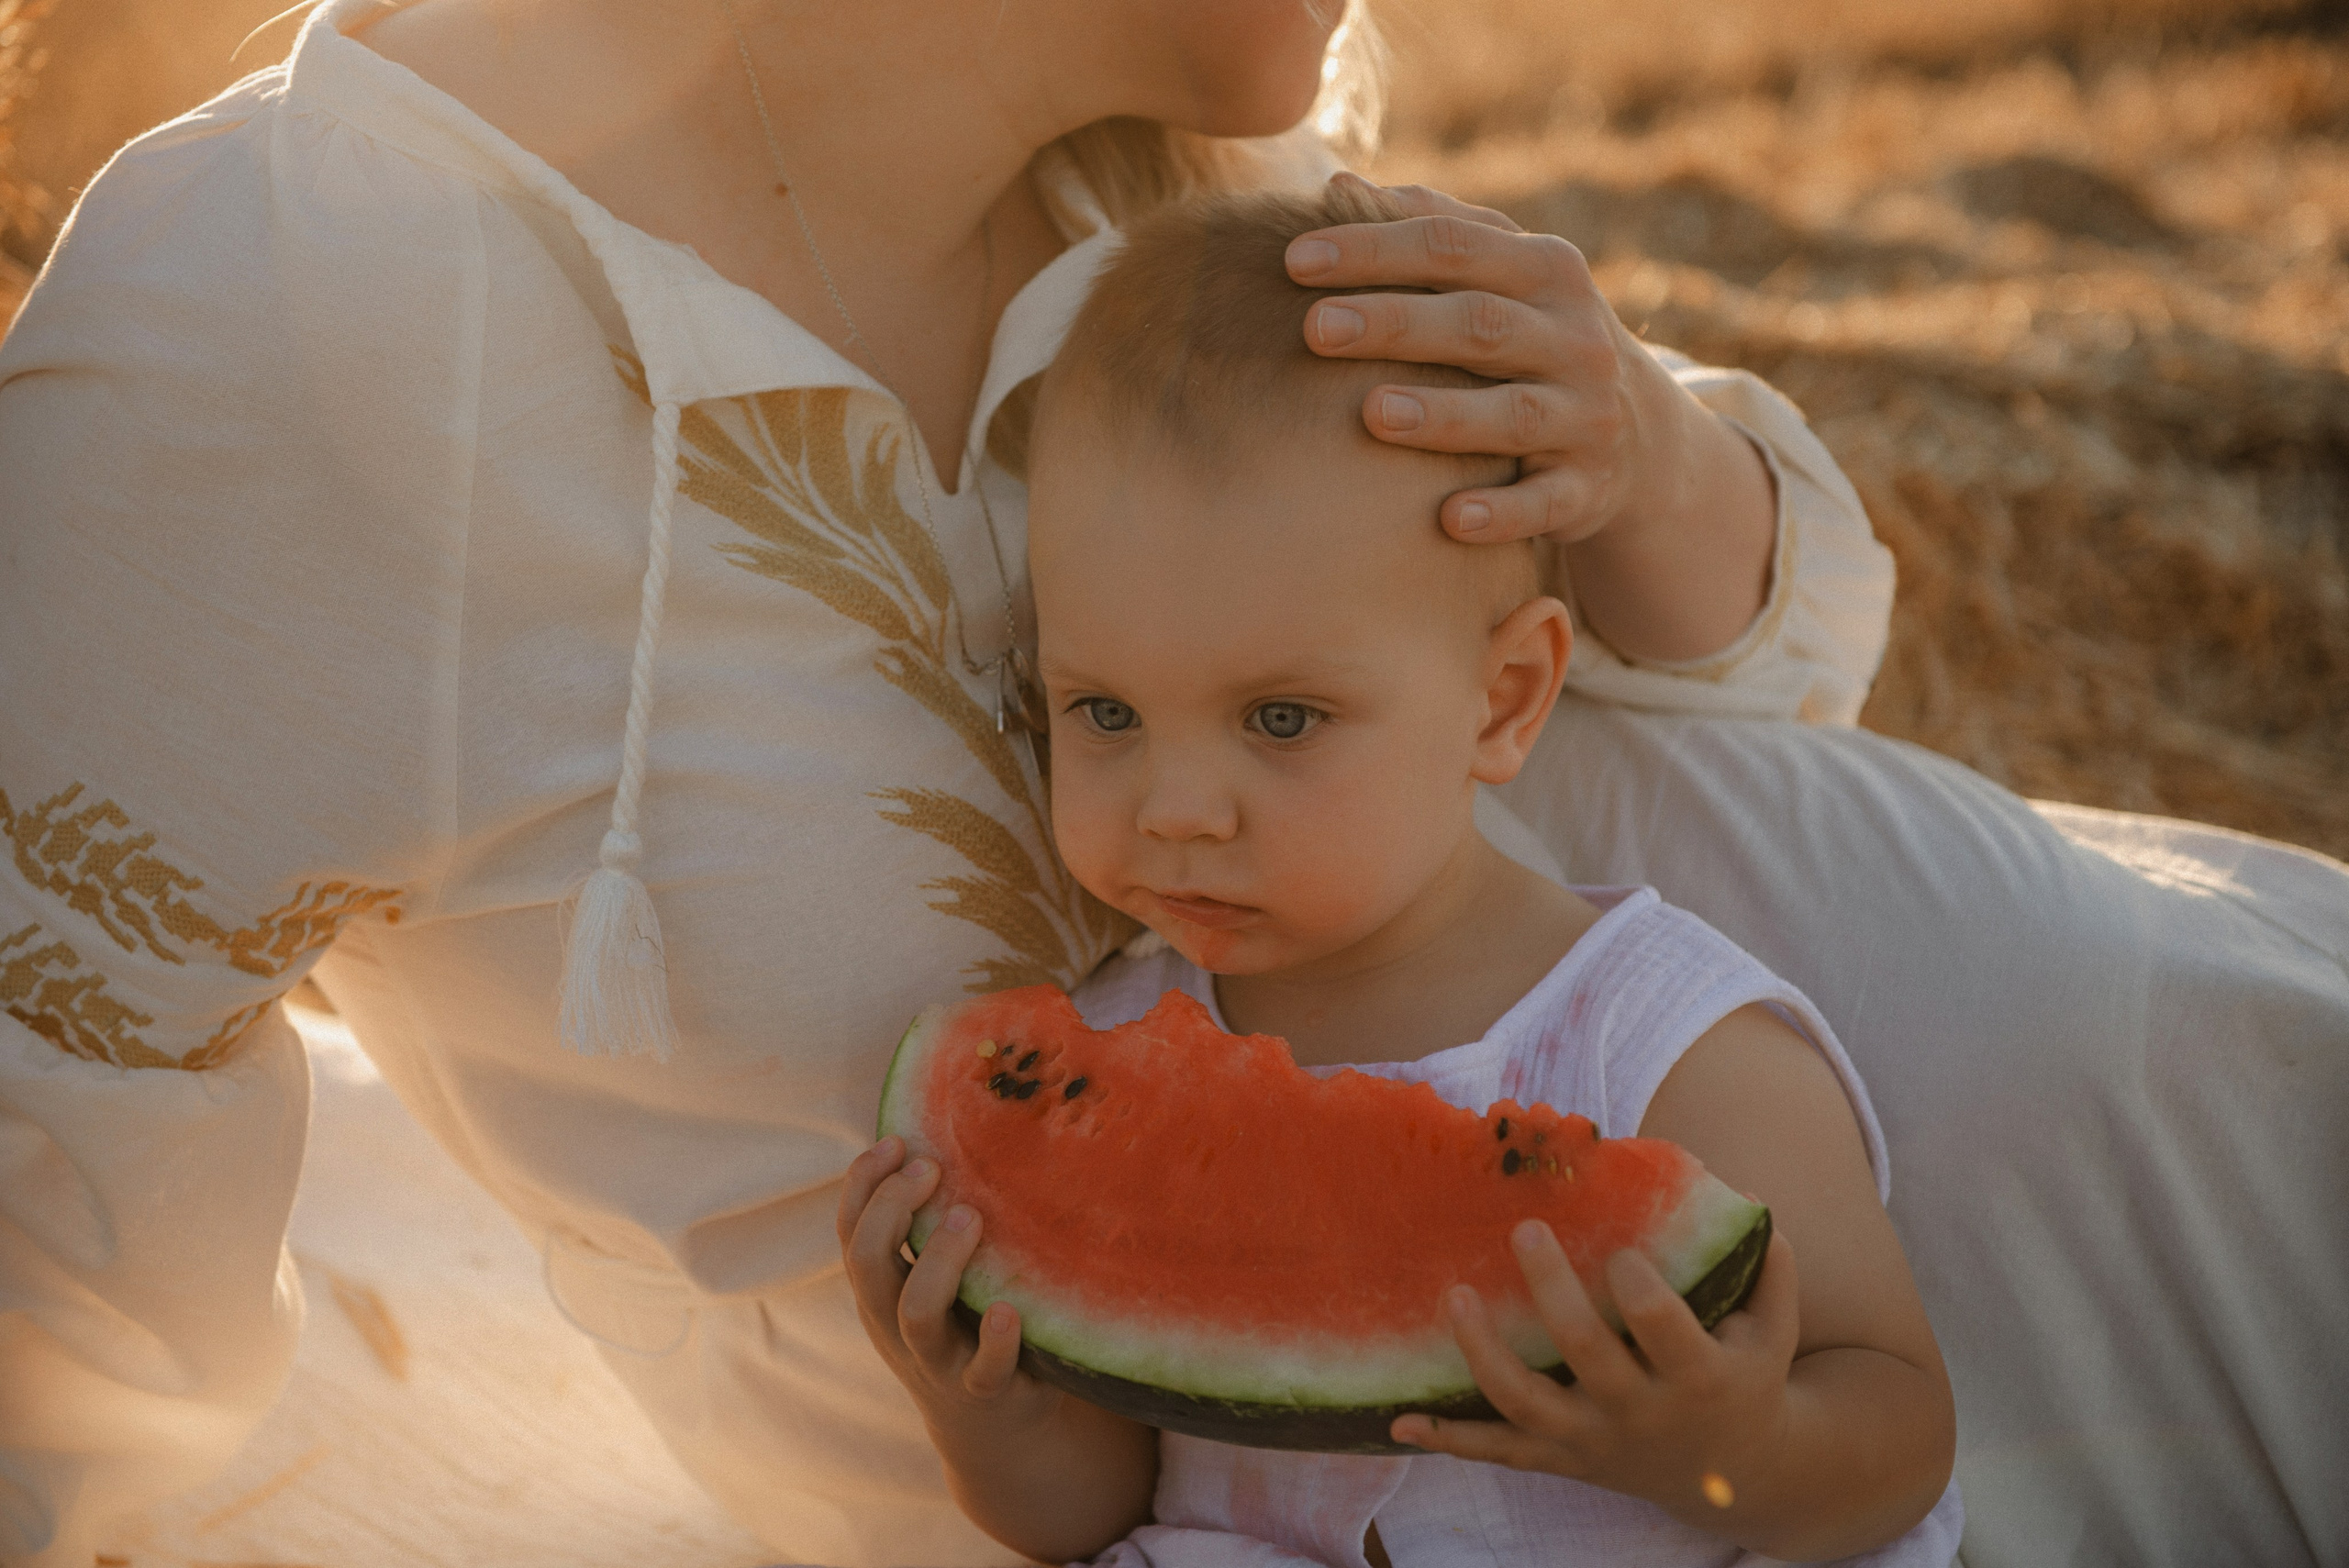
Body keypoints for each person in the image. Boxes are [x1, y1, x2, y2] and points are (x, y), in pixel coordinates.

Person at [5, 0, 2343, 1564]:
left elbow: (1753, 680)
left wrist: (1636, 436)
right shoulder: (280, 325)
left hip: (2172, 1176)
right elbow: (49, 1322)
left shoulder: (1200, 154)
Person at [836, 186, 1964, 1568]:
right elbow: (1096, 1512)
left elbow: (1902, 1428)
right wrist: (987, 1411)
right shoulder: (1112, 1057)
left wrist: (1733, 1452)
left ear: (1504, 698)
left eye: (1284, 719)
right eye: (1105, 712)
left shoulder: (1672, 1046)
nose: (1178, 811)